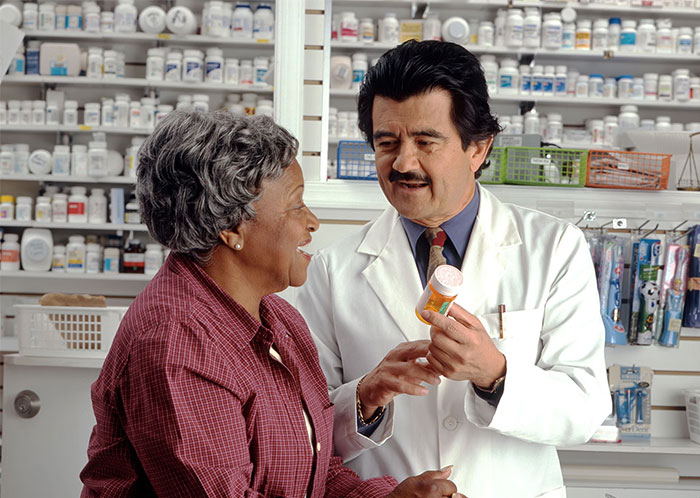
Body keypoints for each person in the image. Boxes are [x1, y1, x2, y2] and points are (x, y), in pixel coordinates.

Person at [79, 110, 463, 498]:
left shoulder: (279, 319)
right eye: (296, 205)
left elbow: (315, 471)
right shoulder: (176, 345)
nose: (312, 222)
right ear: (231, 229)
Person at [297, 40, 612, 498]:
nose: (403, 163)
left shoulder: (554, 248)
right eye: (387, 143)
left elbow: (584, 410)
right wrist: (364, 397)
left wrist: (494, 373)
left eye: (426, 142)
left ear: (477, 149)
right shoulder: (332, 269)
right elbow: (306, 426)